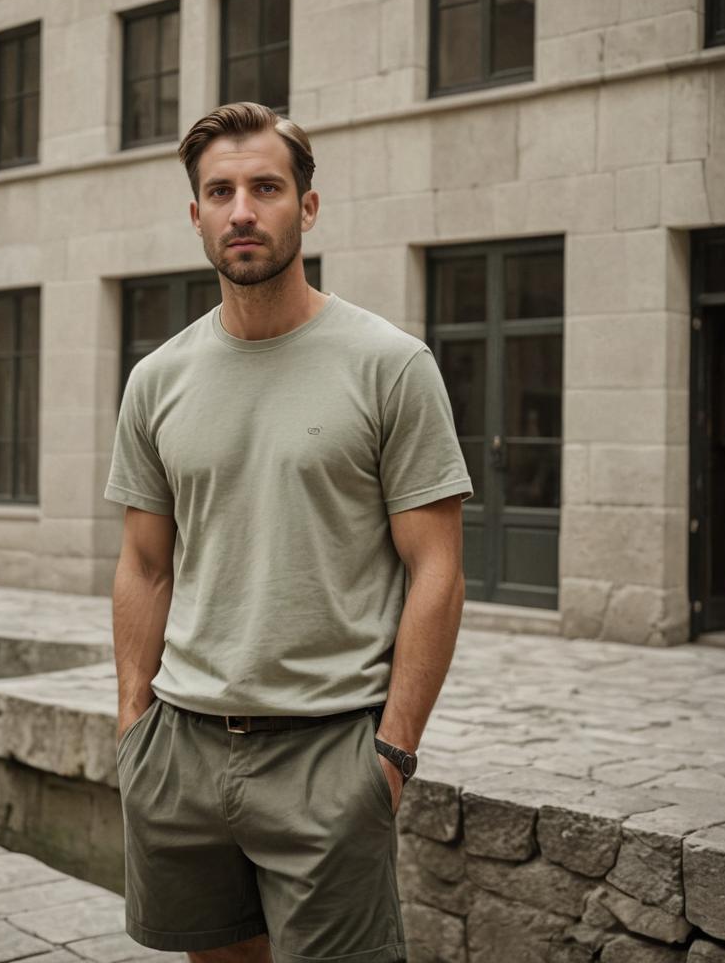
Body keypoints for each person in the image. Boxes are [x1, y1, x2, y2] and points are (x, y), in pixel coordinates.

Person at [104, 102, 473, 963]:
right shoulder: (157, 380)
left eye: (266, 187)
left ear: (306, 208)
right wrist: (133, 723)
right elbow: (144, 565)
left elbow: (438, 572)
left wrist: (392, 755)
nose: (243, 210)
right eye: (220, 191)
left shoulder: (390, 365)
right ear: (194, 214)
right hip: (183, 748)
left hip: (328, 753)